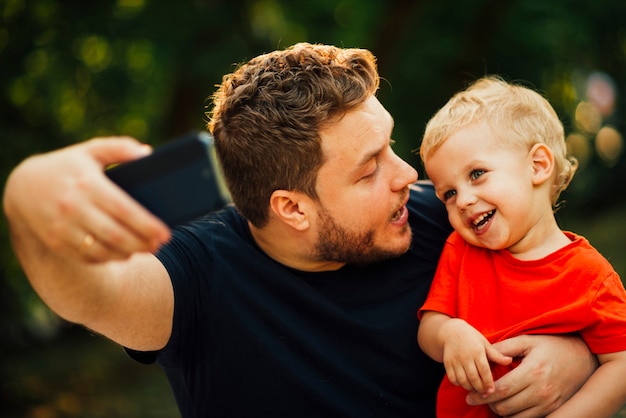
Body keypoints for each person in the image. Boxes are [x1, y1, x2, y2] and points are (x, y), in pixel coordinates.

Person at [3, 43, 596, 417]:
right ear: (292, 208)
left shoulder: (439, 219)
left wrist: (578, 357)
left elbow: (571, 282)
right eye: (370, 170)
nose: (408, 175)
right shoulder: (199, 279)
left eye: (391, 146)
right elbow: (86, 293)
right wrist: (27, 201)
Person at [417, 76, 626, 418]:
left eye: (477, 174)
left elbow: (621, 364)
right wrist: (450, 333)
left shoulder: (590, 276)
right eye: (449, 194)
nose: (464, 200)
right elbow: (430, 326)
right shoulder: (462, 250)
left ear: (538, 166)